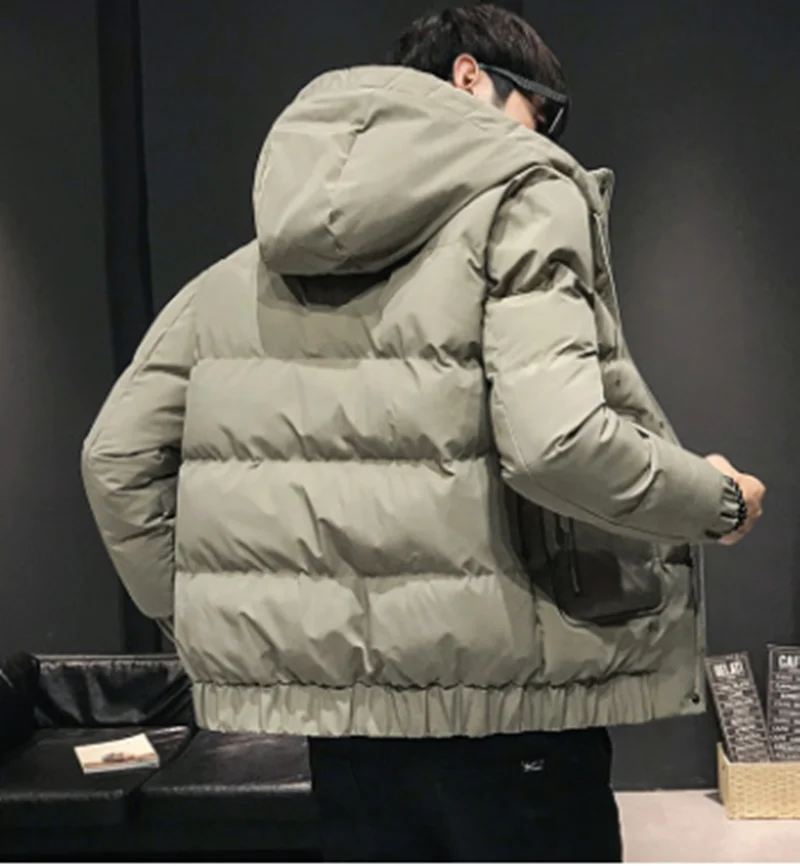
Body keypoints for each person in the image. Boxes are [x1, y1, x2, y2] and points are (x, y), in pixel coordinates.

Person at [81, 4, 766, 862]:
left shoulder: (242, 276)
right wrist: (717, 500)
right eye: (543, 112)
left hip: (347, 733)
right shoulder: (526, 202)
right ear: (471, 77)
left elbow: (114, 460)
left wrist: (215, 621)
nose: (544, 137)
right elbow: (555, 443)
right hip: (513, 715)